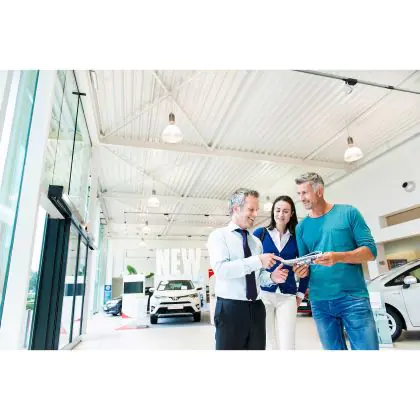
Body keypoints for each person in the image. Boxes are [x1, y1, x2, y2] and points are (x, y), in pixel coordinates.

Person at [294, 172, 379, 350]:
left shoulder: (349, 213)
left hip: (352, 297)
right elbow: (305, 264)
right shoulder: (301, 227)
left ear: (319, 191)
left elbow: (371, 252)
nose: (301, 198)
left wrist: (338, 257)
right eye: (299, 193)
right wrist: (300, 271)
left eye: (305, 193)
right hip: (319, 302)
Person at [207, 188, 289, 350]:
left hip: (257, 308)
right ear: (236, 208)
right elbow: (222, 270)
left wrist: (272, 277)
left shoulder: (256, 242)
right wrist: (257, 260)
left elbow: (258, 276)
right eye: (251, 209)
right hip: (230, 309)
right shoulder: (219, 236)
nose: (255, 214)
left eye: (256, 210)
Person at [253, 195, 309, 350]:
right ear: (273, 211)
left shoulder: (297, 238)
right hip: (264, 295)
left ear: (291, 214)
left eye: (285, 211)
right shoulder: (260, 234)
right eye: (277, 210)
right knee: (267, 342)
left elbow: (306, 267)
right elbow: (252, 264)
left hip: (287, 296)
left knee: (288, 344)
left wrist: (300, 294)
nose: (281, 214)